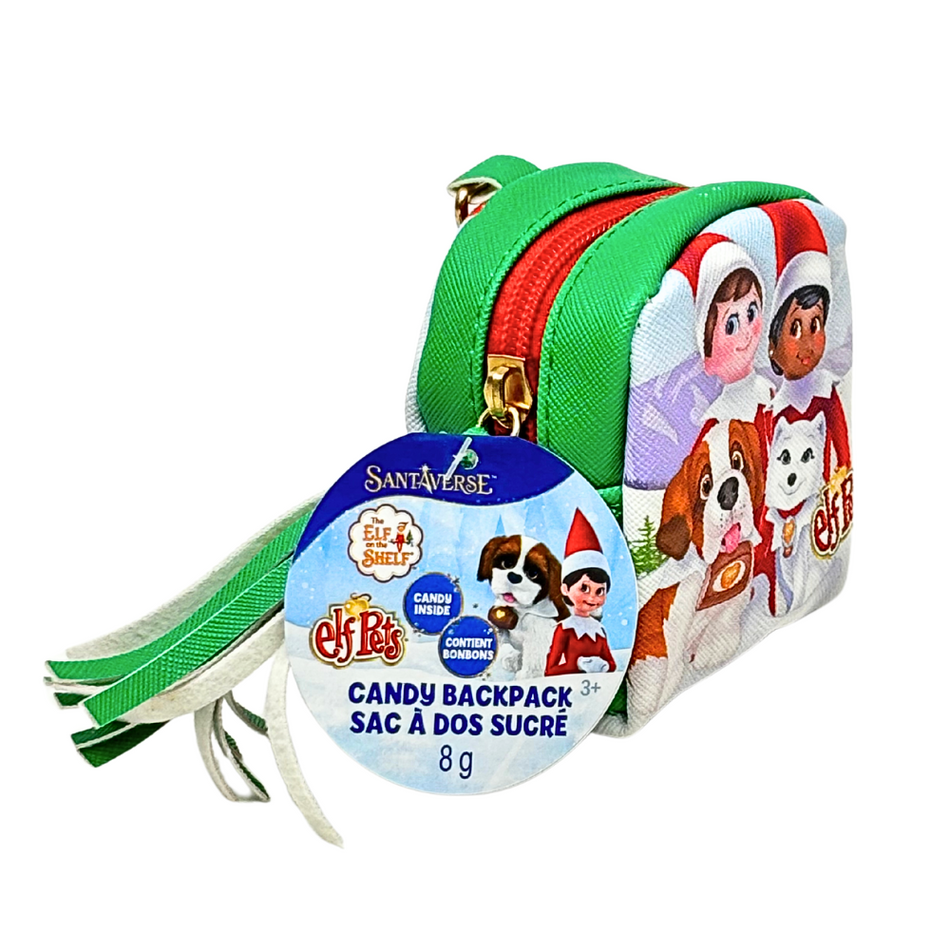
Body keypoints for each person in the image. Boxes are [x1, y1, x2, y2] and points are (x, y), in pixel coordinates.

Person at [545, 510, 616, 676]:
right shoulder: (565, 629)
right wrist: (578, 665)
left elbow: (611, 664)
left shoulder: (599, 630)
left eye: (600, 591)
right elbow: (550, 670)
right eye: (584, 588)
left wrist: (603, 666)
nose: (592, 597)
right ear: (565, 589)